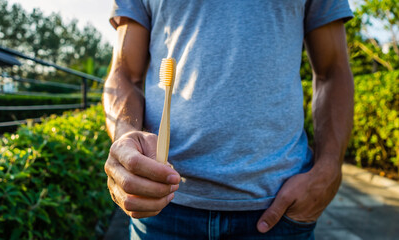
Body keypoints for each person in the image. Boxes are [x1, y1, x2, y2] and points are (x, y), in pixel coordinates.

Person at [103, 0, 354, 239]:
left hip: (278, 210)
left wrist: (329, 170)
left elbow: (333, 70)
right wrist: (125, 140)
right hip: (161, 206)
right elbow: (124, 72)